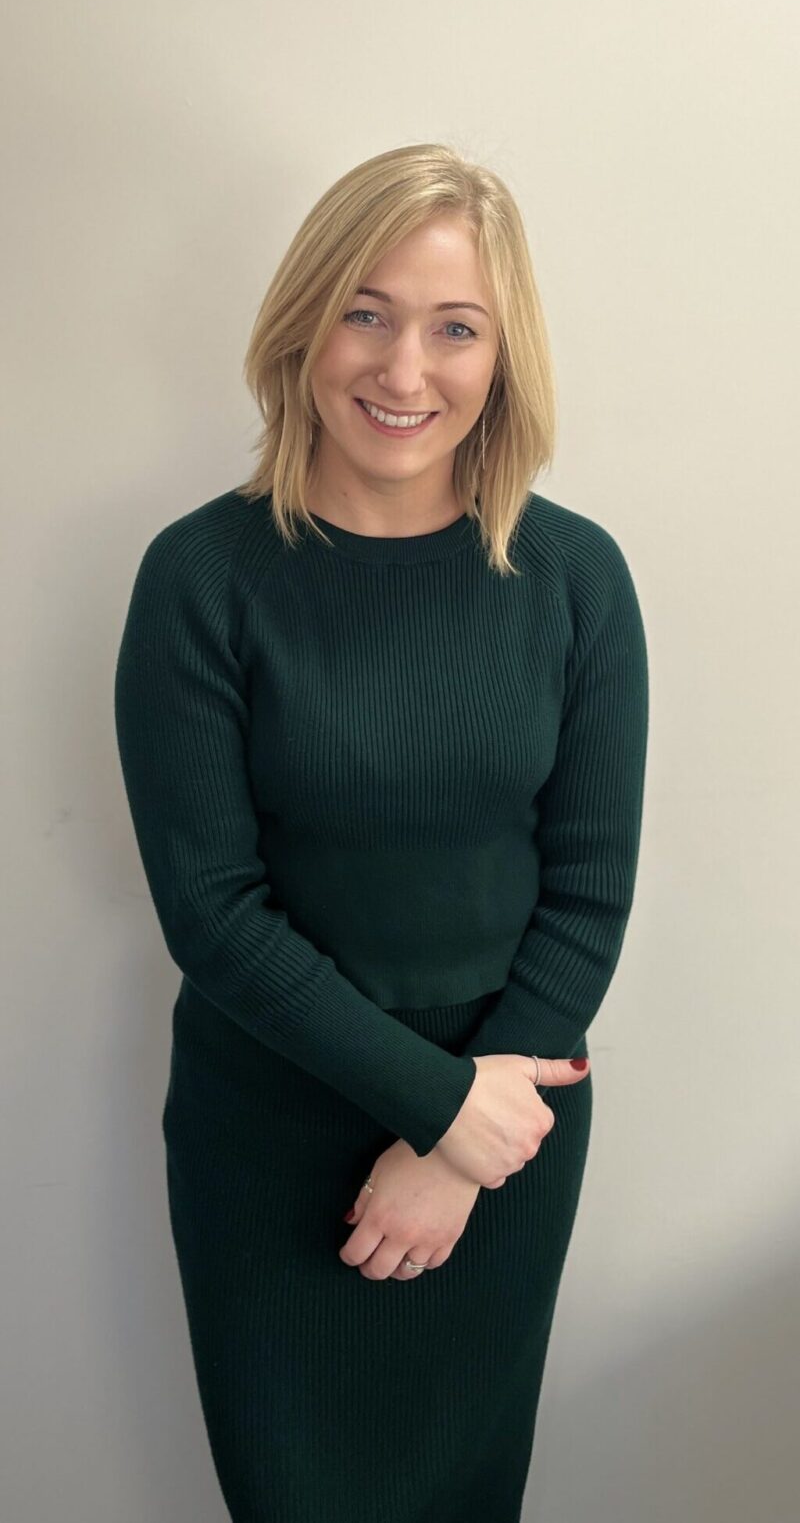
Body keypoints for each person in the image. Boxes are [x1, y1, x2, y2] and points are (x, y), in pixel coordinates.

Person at [114, 142, 649, 1523]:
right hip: (271, 1131)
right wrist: (434, 1106)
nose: (404, 369)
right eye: (366, 309)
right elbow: (211, 908)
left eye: (453, 327)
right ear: (302, 322)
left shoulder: (575, 578)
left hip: (509, 1128)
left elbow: (586, 892)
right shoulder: (203, 577)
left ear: (500, 354)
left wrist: (465, 1135)